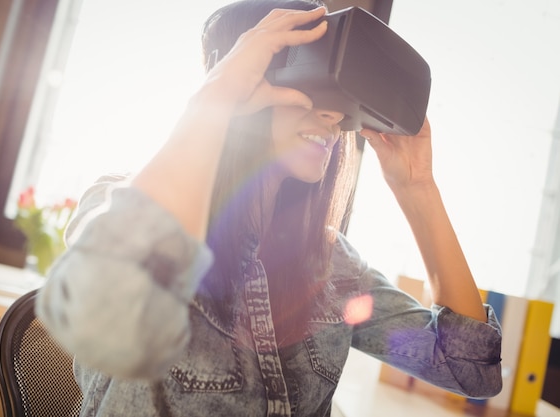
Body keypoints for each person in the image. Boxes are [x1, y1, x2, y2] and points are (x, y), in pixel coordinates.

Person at [35, 0, 502, 415]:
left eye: (336, 97)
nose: (331, 115)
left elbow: (471, 372)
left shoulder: (333, 266)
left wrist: (417, 187)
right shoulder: (123, 204)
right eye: (309, 85)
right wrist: (213, 103)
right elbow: (107, 328)